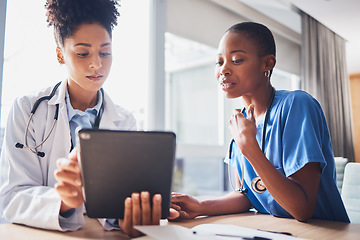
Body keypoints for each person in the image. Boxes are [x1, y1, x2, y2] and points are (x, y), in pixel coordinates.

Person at [0, 0, 161, 237]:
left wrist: (131, 217)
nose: (97, 64)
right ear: (60, 55)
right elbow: (11, 197)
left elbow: (121, 202)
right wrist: (63, 201)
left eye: (105, 52)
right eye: (83, 53)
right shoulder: (27, 109)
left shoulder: (125, 122)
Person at [169, 22, 350, 223]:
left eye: (236, 60)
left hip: (324, 232)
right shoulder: (242, 124)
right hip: (279, 230)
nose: (224, 70)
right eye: (219, 62)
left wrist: (249, 148)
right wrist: (200, 207)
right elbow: (248, 194)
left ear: (268, 63)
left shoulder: (296, 105)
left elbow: (302, 208)